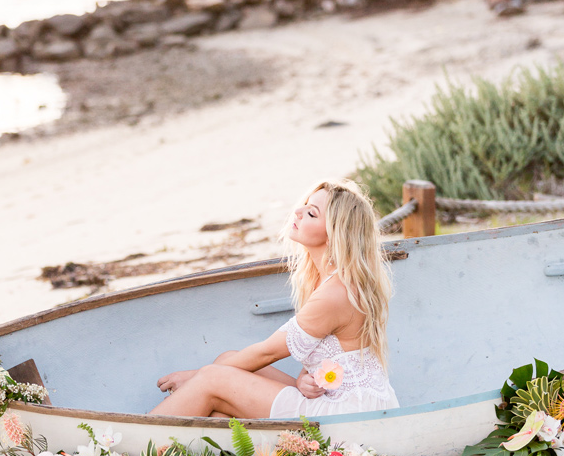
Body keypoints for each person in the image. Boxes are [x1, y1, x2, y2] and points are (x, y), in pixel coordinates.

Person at [149, 179, 399, 419]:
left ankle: (135, 438)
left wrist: (193, 377)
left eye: (311, 213)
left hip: (349, 413)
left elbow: (268, 352)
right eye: (304, 205)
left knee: (212, 378)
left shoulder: (336, 292)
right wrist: (303, 379)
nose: (298, 211)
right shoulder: (332, 281)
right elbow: (324, 354)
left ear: (334, 235)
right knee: (226, 361)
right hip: (344, 401)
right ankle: (212, 443)